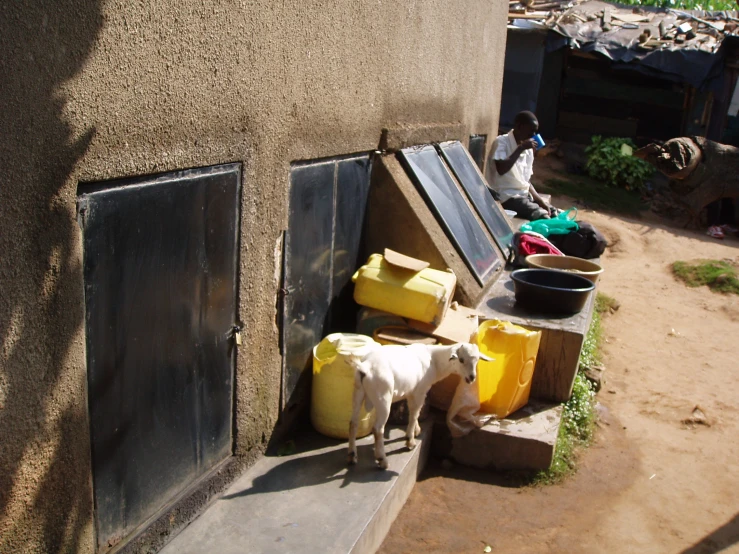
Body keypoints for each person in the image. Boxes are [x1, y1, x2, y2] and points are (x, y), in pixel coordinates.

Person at [486, 111, 557, 221]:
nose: (533, 136)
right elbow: (501, 169)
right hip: (506, 196)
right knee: (541, 215)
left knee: (552, 211)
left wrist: (540, 200)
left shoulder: (528, 149)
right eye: (531, 132)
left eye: (535, 132)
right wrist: (520, 148)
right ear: (519, 126)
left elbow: (526, 181)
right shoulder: (502, 142)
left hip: (523, 195)